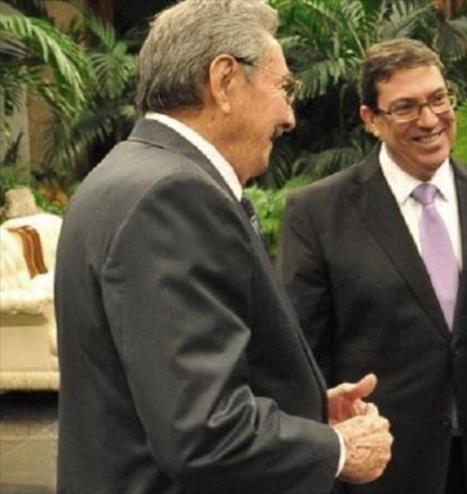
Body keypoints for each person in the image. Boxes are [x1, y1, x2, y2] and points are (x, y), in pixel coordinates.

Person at [54, 1, 393, 493]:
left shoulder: (121, 175)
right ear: (224, 80)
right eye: (283, 87)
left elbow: (159, 384)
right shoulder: (175, 197)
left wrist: (307, 412)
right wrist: (338, 449)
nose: (290, 115)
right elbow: (204, 430)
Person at [276, 38, 467, 494]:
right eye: (407, 108)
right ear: (371, 120)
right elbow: (304, 350)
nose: (430, 120)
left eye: (438, 99)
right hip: (377, 469)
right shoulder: (318, 213)